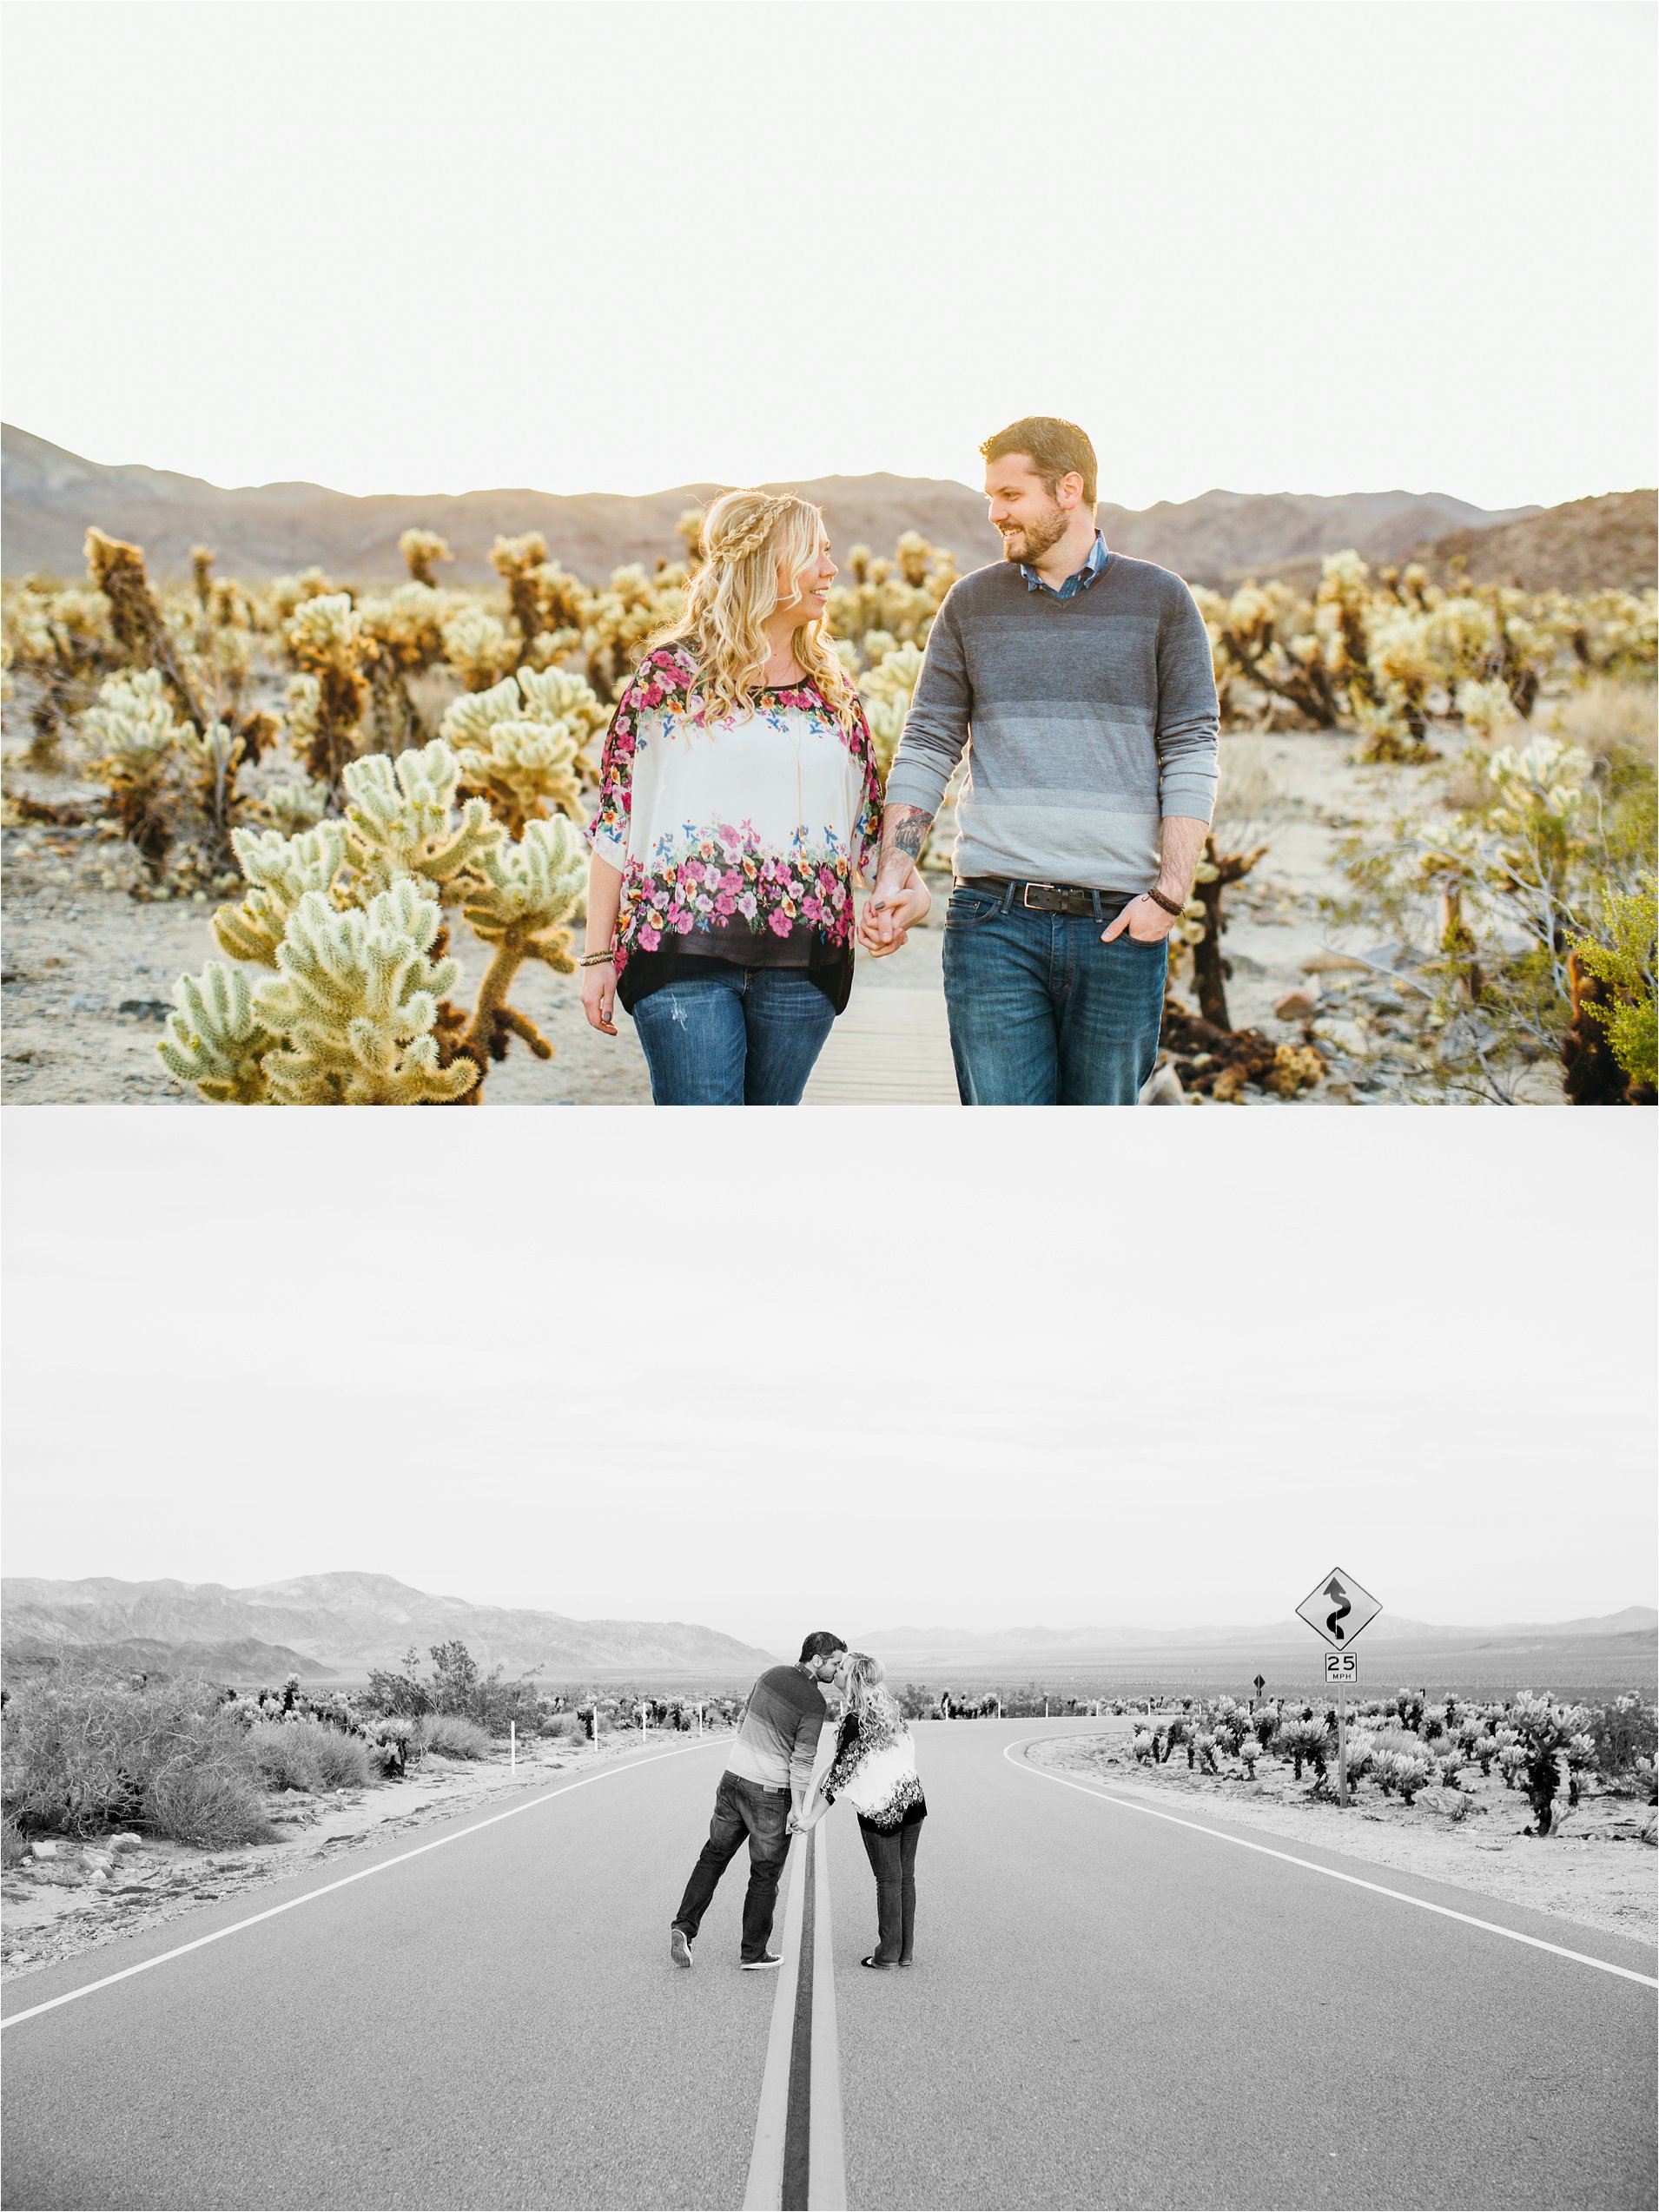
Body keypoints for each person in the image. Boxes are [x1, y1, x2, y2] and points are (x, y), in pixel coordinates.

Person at [862, 415, 1220, 1106]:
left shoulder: (1162, 601)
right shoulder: (971, 604)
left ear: (1069, 489)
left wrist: (1170, 896)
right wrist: (893, 873)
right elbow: (928, 742)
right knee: (1007, 1160)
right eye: (990, 497)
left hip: (1120, 926)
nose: (994, 513)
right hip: (993, 923)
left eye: (1009, 494)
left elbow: (1192, 748)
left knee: (1098, 1162)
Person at [580, 490, 931, 1104]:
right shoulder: (668, 678)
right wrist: (595, 956)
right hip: (679, 950)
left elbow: (867, 832)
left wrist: (907, 896)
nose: (831, 570)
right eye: (814, 554)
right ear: (766, 564)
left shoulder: (833, 693)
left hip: (805, 965)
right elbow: (618, 822)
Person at [669, 1631, 846, 1971]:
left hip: (733, 1778)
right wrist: (798, 1807)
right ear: (818, 1660)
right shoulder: (813, 1702)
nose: (836, 1671)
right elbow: (803, 1760)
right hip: (769, 1794)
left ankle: (683, 1927)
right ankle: (753, 1953)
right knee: (764, 1874)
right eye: (834, 1663)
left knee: (713, 1856)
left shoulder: (769, 1675)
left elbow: (744, 1720)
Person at [798, 1652, 926, 1971]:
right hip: (912, 1802)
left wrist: (811, 1818)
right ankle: (904, 1951)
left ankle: (887, 1954)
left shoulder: (856, 1721)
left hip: (881, 1810)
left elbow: (839, 1775)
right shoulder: (890, 1709)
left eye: (840, 1668)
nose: (835, 1671)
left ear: (852, 1679)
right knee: (904, 1878)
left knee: (888, 1879)